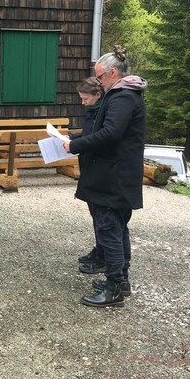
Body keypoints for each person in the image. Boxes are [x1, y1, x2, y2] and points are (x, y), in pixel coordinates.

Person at [63, 46, 147, 308]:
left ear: (112, 73)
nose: (98, 82)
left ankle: (114, 288)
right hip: (117, 174)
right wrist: (77, 140)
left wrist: (75, 146)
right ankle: (121, 281)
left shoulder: (122, 97)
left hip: (114, 177)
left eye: (100, 77)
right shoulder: (124, 95)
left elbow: (111, 133)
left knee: (110, 231)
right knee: (118, 229)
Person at [72, 77, 107, 275]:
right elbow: (88, 135)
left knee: (103, 219)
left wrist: (75, 144)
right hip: (88, 165)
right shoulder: (92, 111)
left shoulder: (103, 112)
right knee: (95, 214)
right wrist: (72, 138)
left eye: (86, 99)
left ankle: (104, 257)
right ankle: (100, 250)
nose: (83, 103)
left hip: (98, 169)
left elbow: (98, 139)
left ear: (98, 95)